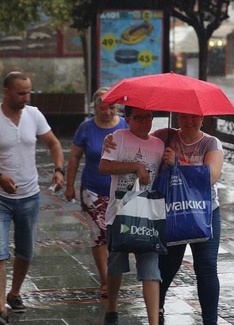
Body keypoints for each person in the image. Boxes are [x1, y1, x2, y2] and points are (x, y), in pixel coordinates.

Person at [103, 113, 224, 325]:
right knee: (168, 265)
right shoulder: (164, 136)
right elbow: (140, 139)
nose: (189, 121)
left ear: (202, 119)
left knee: (206, 267)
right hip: (171, 211)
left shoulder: (211, 143)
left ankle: (210, 321)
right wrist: (111, 140)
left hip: (204, 212)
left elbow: (211, 175)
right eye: (184, 117)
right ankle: (157, 307)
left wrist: (179, 163)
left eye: (194, 117)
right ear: (177, 117)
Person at [0, 71, 65, 325]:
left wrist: (58, 169)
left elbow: (54, 144)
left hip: (29, 196)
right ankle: (0, 310)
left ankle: (15, 292)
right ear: (6, 91)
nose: (26, 97)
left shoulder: (34, 115)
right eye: (21, 93)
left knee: (26, 251)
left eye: (28, 92)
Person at [99, 106, 164, 325]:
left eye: (149, 116)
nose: (145, 121)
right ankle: (112, 308)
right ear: (127, 119)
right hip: (118, 214)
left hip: (148, 216)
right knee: (115, 264)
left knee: (150, 267)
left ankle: (153, 321)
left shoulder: (159, 145)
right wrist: (135, 166)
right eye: (139, 118)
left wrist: (171, 161)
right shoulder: (118, 137)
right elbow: (104, 166)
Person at [64, 87, 128, 298]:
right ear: (95, 108)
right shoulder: (86, 128)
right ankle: (105, 279)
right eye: (103, 108)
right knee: (99, 234)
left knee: (118, 235)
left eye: (112, 107)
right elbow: (74, 157)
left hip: (121, 190)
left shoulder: (126, 126)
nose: (108, 112)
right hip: (93, 191)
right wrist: (69, 185)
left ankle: (115, 274)